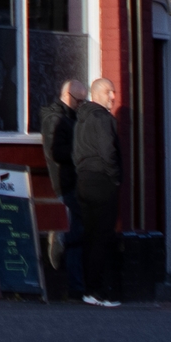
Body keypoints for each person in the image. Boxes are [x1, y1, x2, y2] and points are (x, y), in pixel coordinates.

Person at [48, 71, 126, 308]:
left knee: (90, 237)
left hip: (83, 182)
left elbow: (75, 153)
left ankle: (88, 291)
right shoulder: (103, 119)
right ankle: (97, 291)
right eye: (109, 91)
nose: (113, 96)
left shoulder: (79, 120)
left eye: (113, 91)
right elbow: (108, 152)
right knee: (101, 238)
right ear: (98, 94)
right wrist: (114, 177)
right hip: (101, 183)